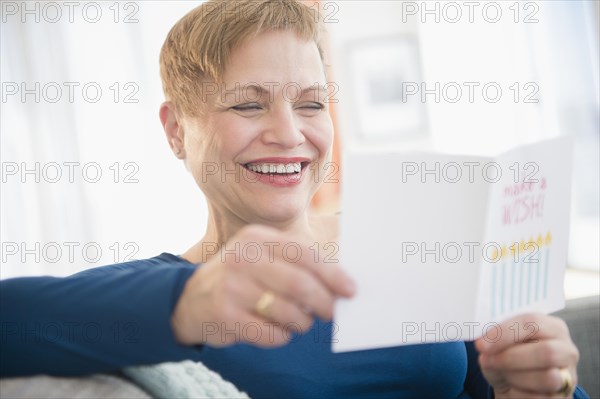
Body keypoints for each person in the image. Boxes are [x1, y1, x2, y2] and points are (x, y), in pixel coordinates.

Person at [0, 1, 587, 398]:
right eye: (248, 104)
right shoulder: (170, 292)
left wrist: (548, 384)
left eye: (310, 103)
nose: (289, 134)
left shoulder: (411, 241)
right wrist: (186, 300)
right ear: (176, 129)